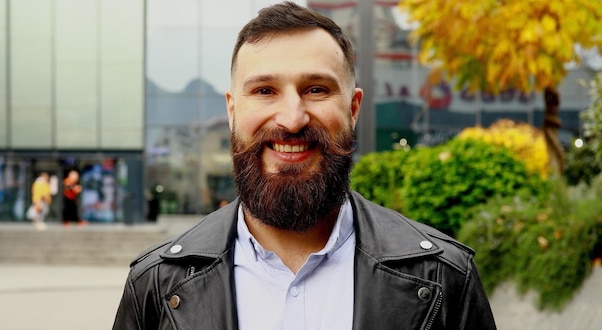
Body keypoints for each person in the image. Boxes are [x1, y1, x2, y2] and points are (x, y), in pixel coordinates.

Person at [113, 2, 497, 329]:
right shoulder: (155, 285)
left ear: (353, 108)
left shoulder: (446, 276)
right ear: (232, 110)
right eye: (265, 91)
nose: (292, 119)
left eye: (316, 89)